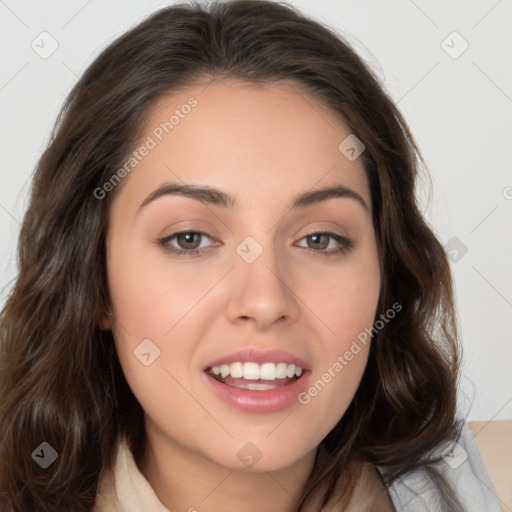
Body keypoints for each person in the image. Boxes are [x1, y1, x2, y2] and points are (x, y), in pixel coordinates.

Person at [0, 1, 503, 511]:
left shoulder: (473, 486)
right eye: (190, 238)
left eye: (320, 239)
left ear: (384, 275)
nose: (265, 301)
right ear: (95, 283)